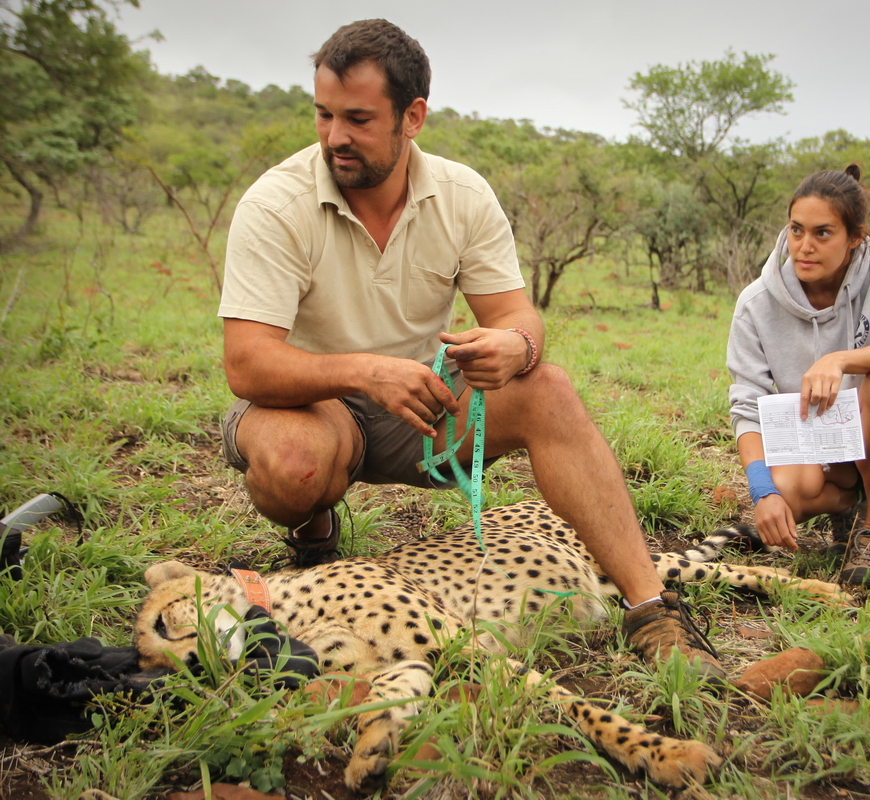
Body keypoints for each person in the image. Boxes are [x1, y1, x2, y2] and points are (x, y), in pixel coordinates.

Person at [216, 19, 723, 680]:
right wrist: (366, 372)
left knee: (549, 388)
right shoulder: (275, 203)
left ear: (413, 117)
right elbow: (246, 362)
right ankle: (313, 531)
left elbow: (516, 315)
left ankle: (650, 608)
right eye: (323, 114)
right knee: (294, 466)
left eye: (359, 119)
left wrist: (516, 344)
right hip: (311, 405)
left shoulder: (461, 195)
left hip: (419, 405)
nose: (335, 136)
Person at [726, 165, 870, 588]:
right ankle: (850, 506)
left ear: (855, 238)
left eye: (822, 233)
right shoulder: (756, 303)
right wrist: (762, 491)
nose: (804, 247)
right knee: (785, 492)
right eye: (796, 230)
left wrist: (842, 360)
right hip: (822, 442)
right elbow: (747, 407)